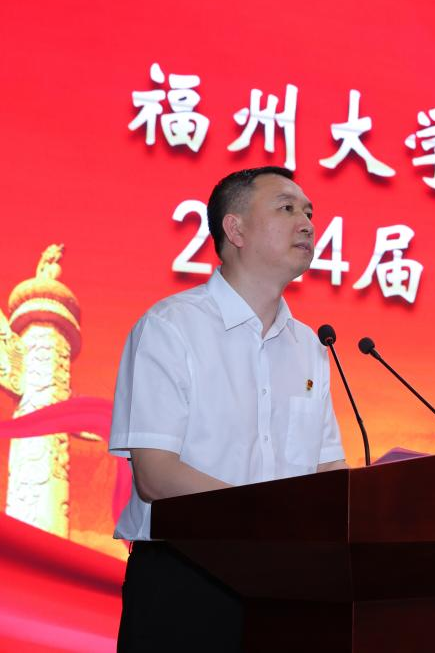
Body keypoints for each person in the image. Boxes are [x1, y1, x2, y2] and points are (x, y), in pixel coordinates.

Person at [109, 166, 347, 652]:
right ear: (234, 229)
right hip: (186, 581)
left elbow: (328, 469)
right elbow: (156, 475)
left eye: (309, 212)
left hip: (286, 587)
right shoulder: (171, 327)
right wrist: (268, 515)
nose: (307, 223)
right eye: (287, 208)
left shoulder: (310, 346)